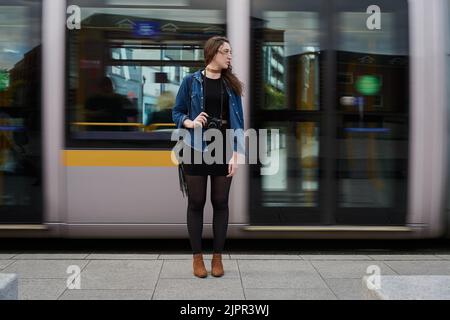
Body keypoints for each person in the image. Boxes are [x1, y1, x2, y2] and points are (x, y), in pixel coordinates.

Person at [172, 36, 245, 278]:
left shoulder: (231, 85)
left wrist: (237, 154)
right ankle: (197, 259)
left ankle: (217, 258)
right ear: (213, 53)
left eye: (230, 52)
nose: (230, 56)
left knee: (221, 203)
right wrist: (189, 122)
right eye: (226, 52)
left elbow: (238, 123)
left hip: (223, 149)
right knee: (196, 202)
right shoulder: (190, 81)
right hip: (194, 148)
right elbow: (177, 111)